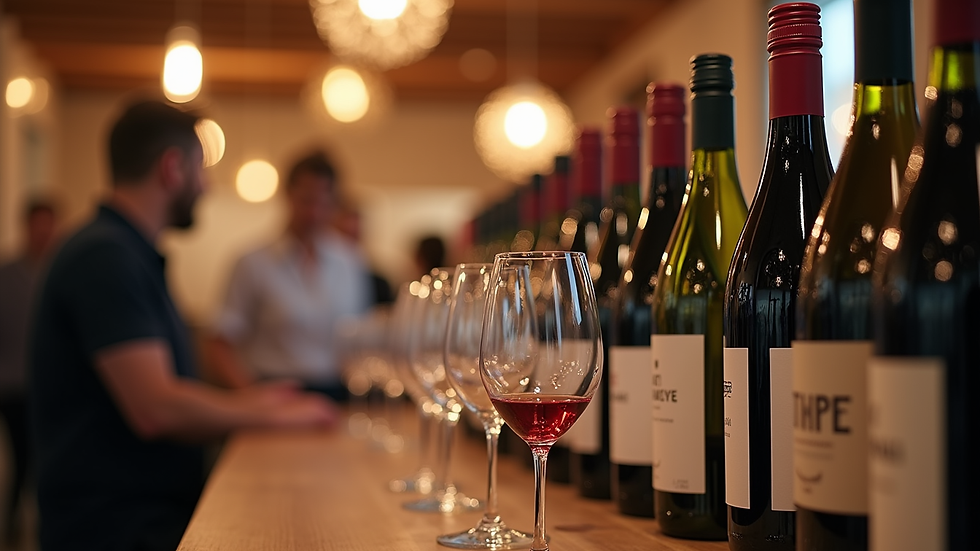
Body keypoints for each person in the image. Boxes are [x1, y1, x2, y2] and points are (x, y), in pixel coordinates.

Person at [29, 100, 336, 551]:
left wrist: (249, 400)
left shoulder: (124, 251)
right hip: (114, 527)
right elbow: (155, 408)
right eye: (201, 168)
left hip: (137, 516)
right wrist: (264, 413)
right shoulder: (105, 256)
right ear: (172, 168)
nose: (206, 185)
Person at [205, 151, 373, 401]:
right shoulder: (252, 262)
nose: (314, 213)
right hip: (273, 390)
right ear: (287, 195)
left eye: (323, 203)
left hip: (339, 394)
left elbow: (363, 339)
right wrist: (250, 396)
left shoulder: (351, 262)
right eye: (306, 201)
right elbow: (219, 344)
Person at [0, 200, 57, 545]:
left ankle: (38, 525)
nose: (44, 232)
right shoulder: (7, 276)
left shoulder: (59, 272)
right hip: (12, 384)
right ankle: (12, 525)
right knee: (22, 457)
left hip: (47, 386)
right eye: (38, 224)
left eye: (49, 224)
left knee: (44, 459)